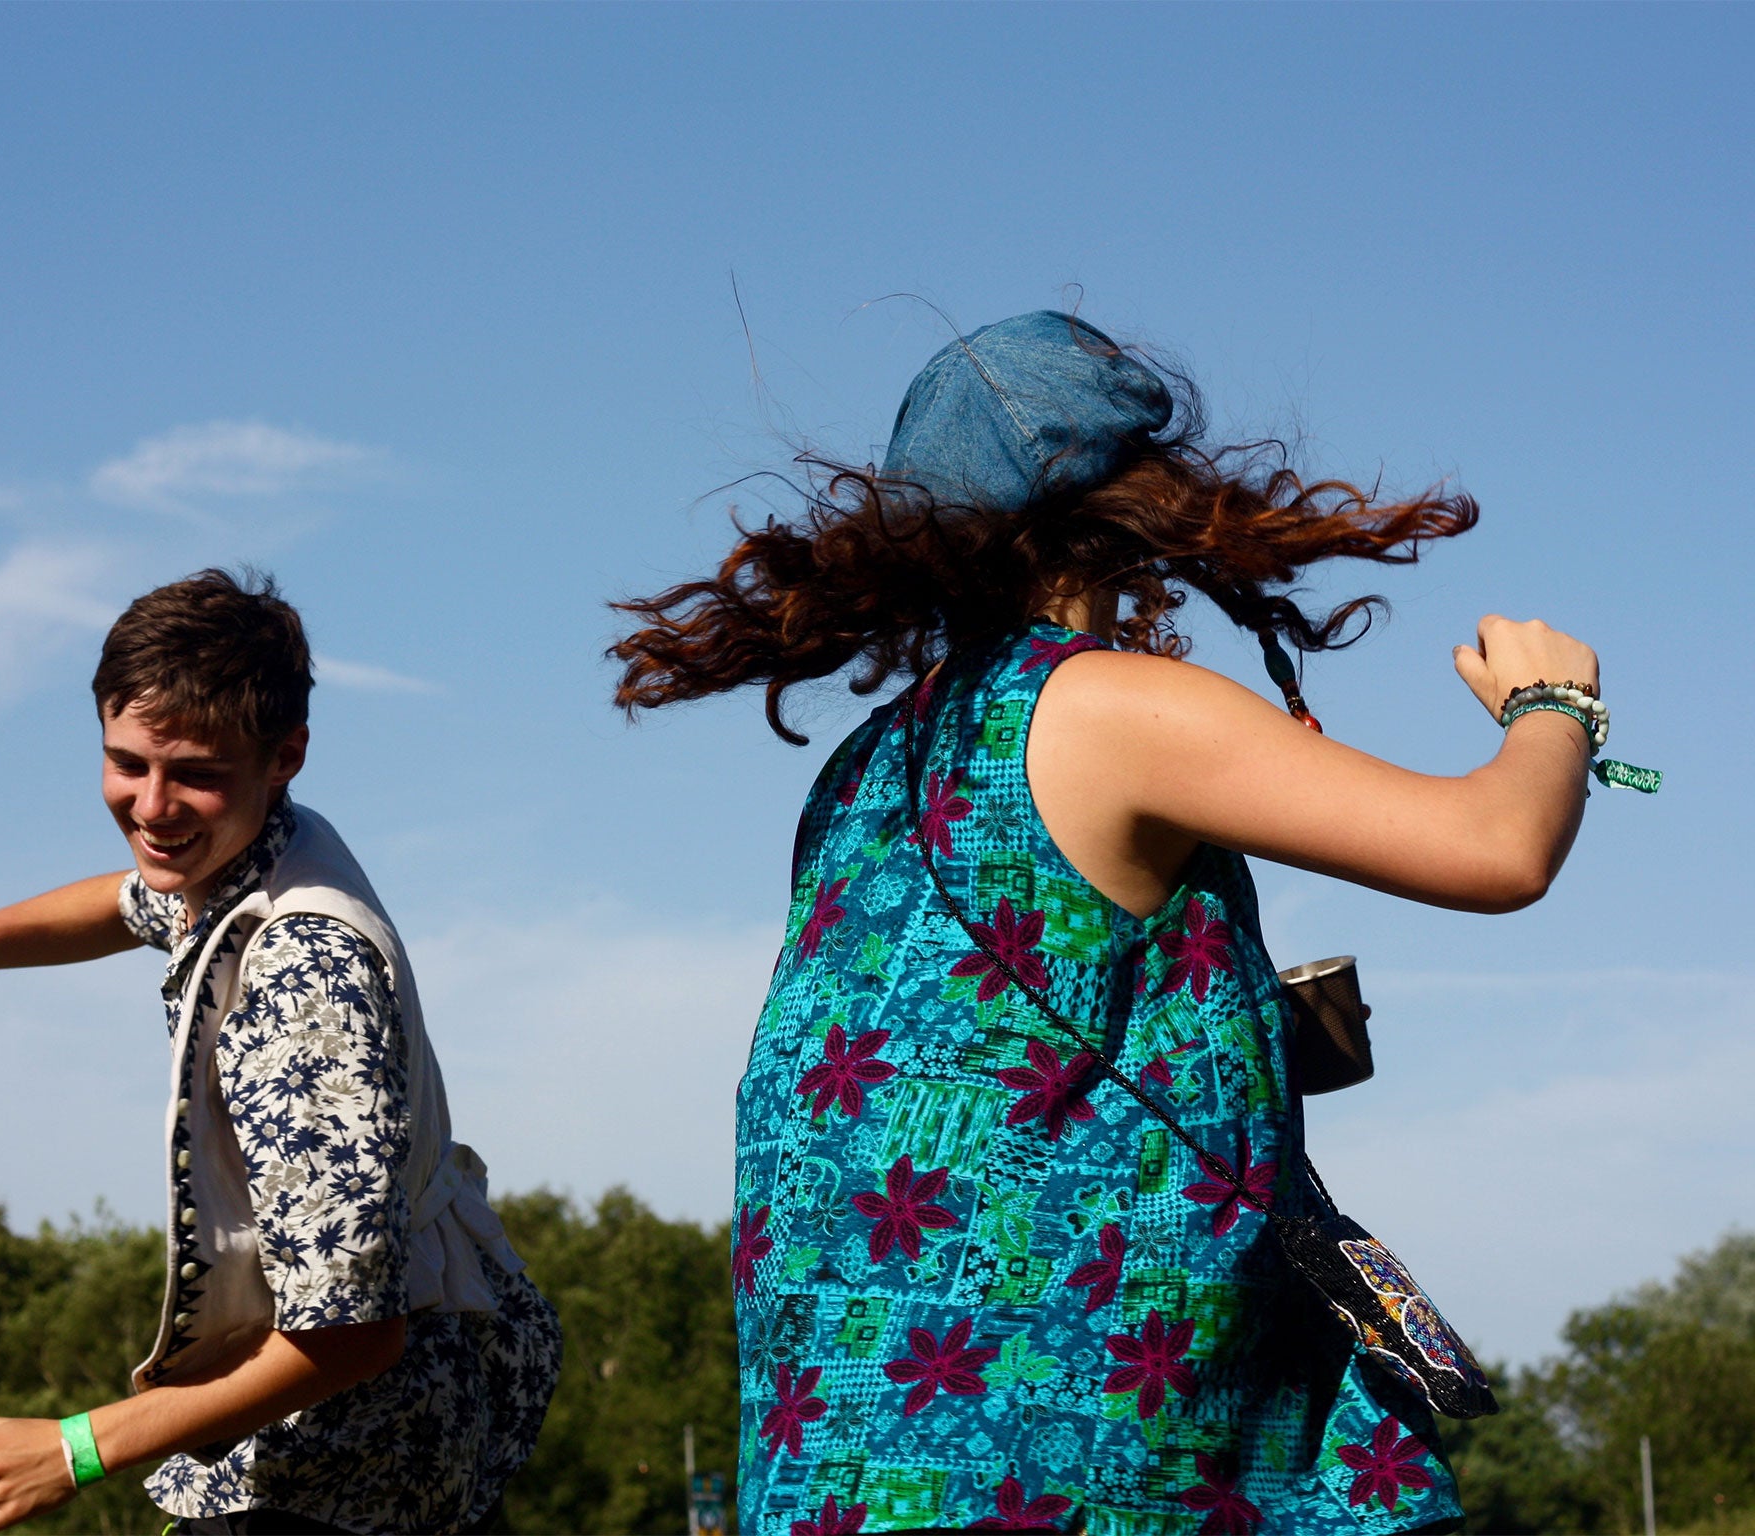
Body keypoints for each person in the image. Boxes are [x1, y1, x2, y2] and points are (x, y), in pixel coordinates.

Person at [612, 311, 1611, 1534]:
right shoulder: (1104, 708)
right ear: (1125, 507)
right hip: (1080, 1452)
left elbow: (986, 1059)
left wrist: (1239, 1034)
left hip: (860, 1458)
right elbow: (1496, 850)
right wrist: (1551, 704)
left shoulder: (865, 770)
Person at [0, 569, 561, 1536]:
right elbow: (127, 902)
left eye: (194, 774)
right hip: (380, 1440)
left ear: (285, 754)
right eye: (126, 764)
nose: (153, 807)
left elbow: (356, 1336)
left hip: (348, 1471)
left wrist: (76, 1448)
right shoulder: (257, 842)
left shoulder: (301, 980)